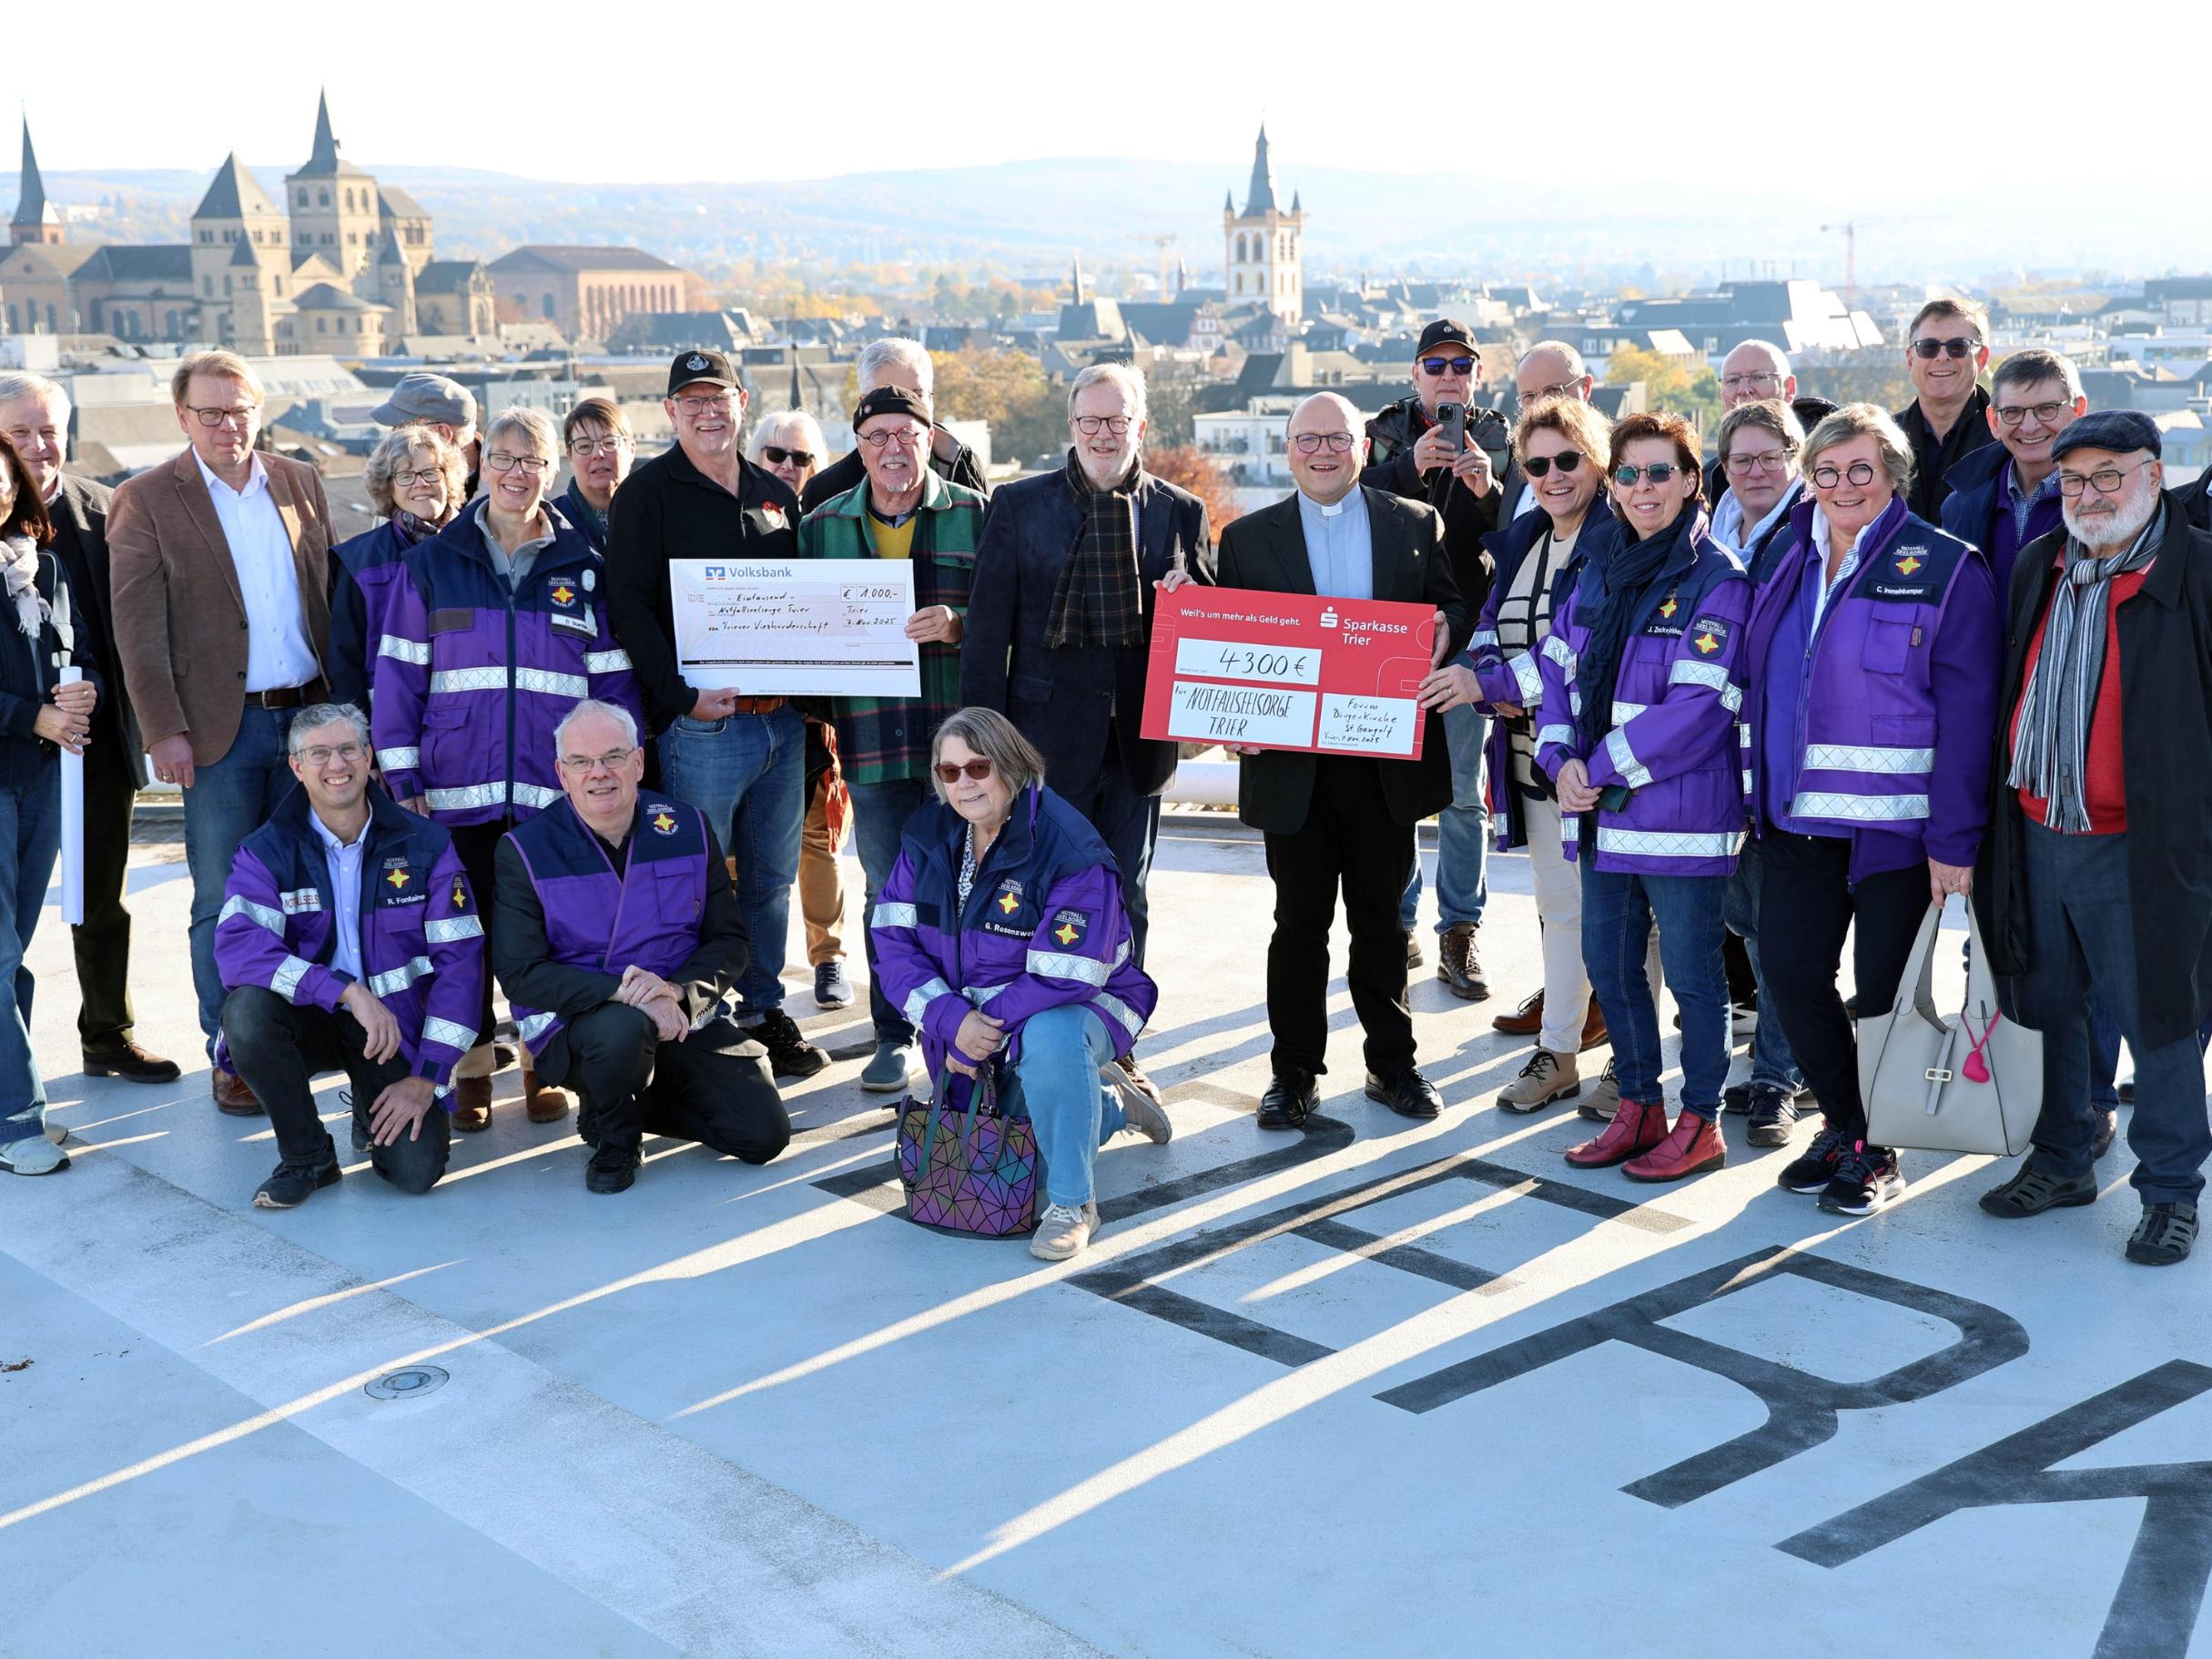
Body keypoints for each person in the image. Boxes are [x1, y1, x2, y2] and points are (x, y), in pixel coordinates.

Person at [1744, 403, 2000, 1215]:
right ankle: (1850, 1124)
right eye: (1828, 470)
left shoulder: (1947, 566)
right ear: (1809, 478)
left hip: (1897, 835)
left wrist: (1953, 842)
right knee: (1787, 974)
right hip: (1796, 824)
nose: (1844, 485)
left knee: (1884, 1000)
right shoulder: (1787, 555)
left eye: (1862, 469)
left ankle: (1875, 1149)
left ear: (1892, 475)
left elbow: (1969, 720)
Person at [1975, 413, 2212, 1266]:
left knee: (2161, 1017)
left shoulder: (2196, 574)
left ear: (2154, 474)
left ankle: (2172, 1190)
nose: (2090, 494)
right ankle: (2064, 1158)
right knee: (2044, 1008)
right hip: (2037, 831)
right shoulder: (2043, 564)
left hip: (2139, 847)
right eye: (2074, 480)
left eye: (2108, 475)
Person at [373, 406, 642, 1129]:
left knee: (550, 937)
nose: (517, 473)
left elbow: (612, 682)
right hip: (452, 800)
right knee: (460, 941)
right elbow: (398, 680)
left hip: (555, 801)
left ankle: (539, 1064)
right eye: (504, 458)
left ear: (551, 472)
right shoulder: (431, 566)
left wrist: (612, 771)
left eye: (533, 461)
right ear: (478, 464)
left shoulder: (583, 570)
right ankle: (469, 1070)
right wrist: (404, 785)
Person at [1222, 393, 1467, 1130]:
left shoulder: (1416, 524)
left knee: (1382, 926)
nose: (1321, 451)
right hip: (1292, 767)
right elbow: (1223, 646)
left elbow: (1451, 605)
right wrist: (1228, 717)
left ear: (1363, 446)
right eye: (1306, 439)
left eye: (1335, 438)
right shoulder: (1244, 538)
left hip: (1380, 764)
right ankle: (1293, 1073)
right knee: (1297, 926)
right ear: (1288, 448)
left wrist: (1445, 631)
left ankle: (1393, 1064)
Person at [1516, 412, 1750, 1182]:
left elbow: (1697, 706)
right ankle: (1640, 1106)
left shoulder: (1717, 579)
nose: (1644, 487)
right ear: (1612, 485)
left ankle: (1701, 1121)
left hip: (1681, 823)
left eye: (1661, 472)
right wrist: (1558, 758)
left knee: (1691, 978)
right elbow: (1554, 673)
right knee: (1610, 970)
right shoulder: (1597, 571)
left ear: (1691, 481)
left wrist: (1600, 762)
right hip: (1600, 820)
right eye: (1630, 473)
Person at [110, 350, 334, 1115]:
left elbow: (324, 598)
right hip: (215, 736)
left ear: (258, 410)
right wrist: (163, 730)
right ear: (182, 416)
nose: (227, 425)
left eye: (239, 410)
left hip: (308, 722)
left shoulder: (298, 481)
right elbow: (137, 633)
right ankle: (230, 1049)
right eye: (210, 412)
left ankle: (296, 1034)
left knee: (307, 887)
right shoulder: (144, 500)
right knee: (220, 896)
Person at [868, 707, 1167, 1261]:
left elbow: (1066, 975)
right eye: (949, 771)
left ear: (1010, 764)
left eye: (977, 767)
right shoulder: (926, 835)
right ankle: (1110, 1105)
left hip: (1082, 1005)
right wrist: (951, 1023)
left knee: (1052, 1054)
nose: (964, 784)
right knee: (1000, 1161)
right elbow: (891, 943)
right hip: (975, 1023)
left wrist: (982, 1029)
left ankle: (1075, 1205)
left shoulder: (1070, 848)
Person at [605, 349, 827, 1079]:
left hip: (779, 723)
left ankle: (764, 1005)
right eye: (690, 399)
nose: (707, 411)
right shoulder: (647, 494)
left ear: (741, 401)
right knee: (700, 880)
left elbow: (802, 597)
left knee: (769, 880)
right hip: (703, 726)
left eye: (719, 397)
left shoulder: (774, 492)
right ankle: (707, 1015)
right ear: (670, 412)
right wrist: (680, 695)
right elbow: (628, 606)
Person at [960, 361, 1211, 1002]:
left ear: (1141, 426)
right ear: (1071, 425)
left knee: (1126, 893)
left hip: (1137, 743)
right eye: (1091, 421)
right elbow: (987, 637)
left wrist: (1196, 594)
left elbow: (1209, 631)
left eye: (1117, 420)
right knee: (1034, 891)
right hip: (1040, 745)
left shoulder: (1182, 512)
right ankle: (1023, 1026)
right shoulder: (1018, 506)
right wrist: (981, 752)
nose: (1104, 434)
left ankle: (1117, 1036)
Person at [494, 700, 792, 1195]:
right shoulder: (526, 848)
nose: (599, 774)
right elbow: (521, 973)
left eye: (613, 757)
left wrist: (676, 992)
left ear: (638, 762)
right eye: (581, 762)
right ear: (561, 774)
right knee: (622, 1029)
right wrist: (629, 993)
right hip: (583, 1025)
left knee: (763, 1136)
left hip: (679, 1015)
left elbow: (729, 940)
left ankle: (615, 1103)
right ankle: (616, 1138)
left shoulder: (688, 827)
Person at [215, 704, 484, 1206]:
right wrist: (343, 990)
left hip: (394, 1034)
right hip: (310, 1018)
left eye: (347, 750)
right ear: (297, 767)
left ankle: (371, 1104)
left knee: (414, 1172)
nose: (335, 765)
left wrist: (427, 1077)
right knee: (247, 1013)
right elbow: (238, 951)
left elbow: (462, 968)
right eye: (319, 753)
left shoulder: (426, 845)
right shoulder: (266, 850)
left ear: (368, 757)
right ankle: (306, 1157)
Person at [1426, 396, 1614, 1111]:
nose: (1553, 475)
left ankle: (1631, 1064)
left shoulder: (1616, 540)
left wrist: (1494, 683)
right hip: (1535, 762)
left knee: (1632, 923)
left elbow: (1575, 649)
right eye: (1537, 463)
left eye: (1568, 459)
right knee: (1560, 910)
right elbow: (1487, 624)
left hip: (1602, 768)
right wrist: (1483, 680)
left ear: (1597, 460)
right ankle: (1559, 1052)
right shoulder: (1526, 538)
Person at [798, 384, 984, 1096]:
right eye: (876, 437)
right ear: (859, 446)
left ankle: (971, 1023)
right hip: (872, 741)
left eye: (906, 434)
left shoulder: (976, 515)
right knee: (888, 890)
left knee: (974, 884)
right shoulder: (822, 527)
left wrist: (959, 623)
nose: (892, 450)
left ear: (929, 436)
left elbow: (1006, 614)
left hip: (959, 743)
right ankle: (893, 1031)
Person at [0, 372, 177, 1086]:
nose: (39, 446)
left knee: (99, 893)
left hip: (97, 744)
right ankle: (15, 1071)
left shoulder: (111, 511)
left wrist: (97, 700)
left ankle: (107, 1031)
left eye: (49, 429)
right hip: (12, 753)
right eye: (20, 433)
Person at [1361, 320, 1498, 996]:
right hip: (1393, 637)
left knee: (1464, 794)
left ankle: (1460, 929)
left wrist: (1488, 490)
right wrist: (1407, 468)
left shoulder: (1500, 437)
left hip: (1468, 637)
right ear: (1415, 374)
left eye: (1461, 365)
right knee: (1397, 794)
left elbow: (1528, 530)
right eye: (1435, 364)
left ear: (1477, 376)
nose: (1449, 375)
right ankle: (1401, 920)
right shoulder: (1385, 432)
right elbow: (1352, 506)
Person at [1706, 400, 1813, 1142]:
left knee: (1779, 929)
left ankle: (1776, 1073)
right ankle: (1789, 1052)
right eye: (1741, 459)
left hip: (1783, 756)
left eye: (1770, 456)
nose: (1755, 470)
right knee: (1743, 920)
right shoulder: (1713, 532)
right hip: (1720, 754)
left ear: (1796, 459)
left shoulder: (1814, 536)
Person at [0, 434, 102, 1176]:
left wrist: (82, 689)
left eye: (5, 482)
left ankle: (9, 1099)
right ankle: (17, 1119)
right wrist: (28, 714)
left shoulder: (48, 568)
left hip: (38, 785)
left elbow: (81, 652)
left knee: (14, 955)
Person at [750, 410, 853, 1012]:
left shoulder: (826, 525)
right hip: (744, 709)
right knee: (744, 853)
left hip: (811, 713)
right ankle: (746, 970)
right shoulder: (732, 521)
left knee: (817, 838)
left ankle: (829, 956)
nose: (788, 467)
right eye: (776, 455)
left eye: (801, 458)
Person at [326, 427, 466, 710]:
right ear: (388, 487)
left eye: (431, 472)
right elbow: (345, 664)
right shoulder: (359, 561)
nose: (421, 483)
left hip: (468, 722)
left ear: (448, 477)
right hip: (387, 723)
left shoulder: (479, 548)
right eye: (405, 475)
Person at [1938, 348, 2082, 594]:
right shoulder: (1959, 507)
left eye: (2047, 408)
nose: (2029, 426)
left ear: (2077, 411)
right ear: (1994, 421)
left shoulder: (2103, 501)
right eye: (2012, 412)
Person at [799, 338, 988, 512]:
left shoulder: (963, 468)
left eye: (917, 395)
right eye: (888, 397)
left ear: (932, 398)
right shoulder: (825, 492)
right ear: (863, 403)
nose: (905, 406)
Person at [1894, 297, 1996, 522]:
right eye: (1928, 348)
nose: (1942, 357)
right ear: (1911, 359)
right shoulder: (1881, 441)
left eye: (1958, 347)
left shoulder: (2009, 439)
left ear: (1982, 357)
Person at [1702, 341, 1837, 501]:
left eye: (1759, 377)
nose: (1744, 389)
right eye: (1732, 380)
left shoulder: (1832, 457)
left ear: (1790, 388)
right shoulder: (1711, 480)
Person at [1495, 342, 1598, 521]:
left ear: (1586, 388)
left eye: (1553, 391)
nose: (1541, 405)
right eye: (1529, 396)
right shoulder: (1519, 458)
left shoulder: (1618, 464)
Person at [370, 372, 479, 497]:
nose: (393, 434)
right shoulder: (395, 479)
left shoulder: (501, 490)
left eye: (401, 428)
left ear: (441, 434)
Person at [554, 396, 634, 553]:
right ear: (569, 455)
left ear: (631, 450)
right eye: (584, 446)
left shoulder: (657, 516)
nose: (598, 454)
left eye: (610, 442)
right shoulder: (549, 523)